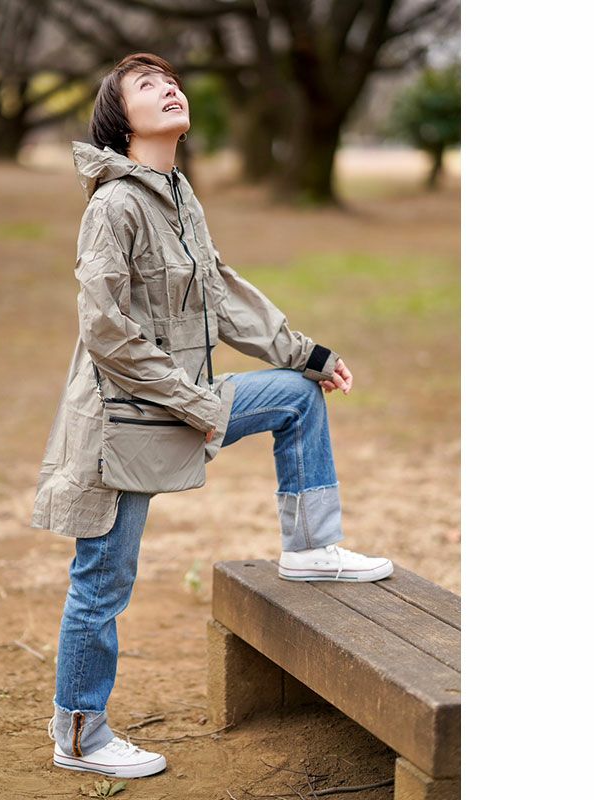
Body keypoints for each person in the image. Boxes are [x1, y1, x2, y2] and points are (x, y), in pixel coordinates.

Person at [32, 52, 393, 779]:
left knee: (294, 395)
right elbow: (105, 332)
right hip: (119, 425)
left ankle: (310, 548)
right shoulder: (113, 206)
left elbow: (220, 294)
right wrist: (196, 403)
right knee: (103, 580)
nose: (169, 88)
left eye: (171, 81)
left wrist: (308, 354)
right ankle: (80, 734)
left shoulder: (177, 194)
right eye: (147, 85)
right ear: (120, 121)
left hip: (180, 402)